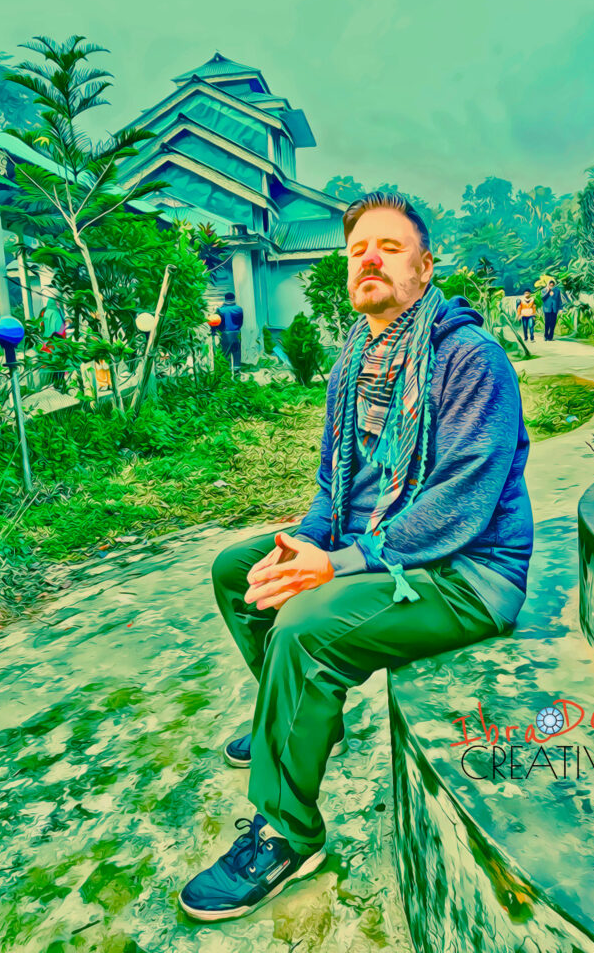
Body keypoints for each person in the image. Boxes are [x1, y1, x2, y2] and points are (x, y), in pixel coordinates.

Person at [179, 191, 534, 921]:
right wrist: (306, 543)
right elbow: (332, 490)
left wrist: (334, 565)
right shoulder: (354, 360)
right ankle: (300, 722)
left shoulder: (469, 358)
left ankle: (288, 832)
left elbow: (457, 508)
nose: (368, 258)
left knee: (307, 628)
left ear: (425, 266)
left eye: (390, 247)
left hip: (467, 571)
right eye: (356, 250)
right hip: (379, 541)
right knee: (237, 570)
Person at [215, 292, 244, 375]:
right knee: (237, 353)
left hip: (225, 334)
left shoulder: (220, 310)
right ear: (234, 298)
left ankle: (226, 374)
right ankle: (237, 373)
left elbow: (217, 323)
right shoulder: (239, 309)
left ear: (225, 299)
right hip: (237, 333)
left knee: (226, 353)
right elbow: (241, 322)